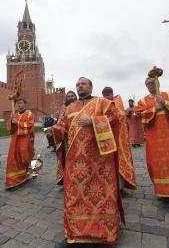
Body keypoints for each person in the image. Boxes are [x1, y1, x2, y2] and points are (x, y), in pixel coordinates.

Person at [50, 77, 123, 245]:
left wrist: (93, 121)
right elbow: (63, 127)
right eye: (77, 84)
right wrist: (53, 131)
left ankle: (105, 231)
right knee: (76, 194)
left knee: (102, 194)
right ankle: (77, 231)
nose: (79, 86)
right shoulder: (69, 108)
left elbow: (117, 117)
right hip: (76, 160)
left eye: (83, 84)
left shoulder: (102, 103)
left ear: (90, 87)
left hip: (101, 160)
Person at [102, 86, 137, 191]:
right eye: (105, 96)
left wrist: (103, 120)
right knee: (109, 161)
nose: (107, 97)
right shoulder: (104, 104)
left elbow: (118, 116)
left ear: (112, 94)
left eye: (109, 95)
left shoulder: (117, 103)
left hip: (119, 137)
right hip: (108, 136)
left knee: (119, 159)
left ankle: (119, 185)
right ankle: (110, 183)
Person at [5, 98, 35, 190]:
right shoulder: (14, 115)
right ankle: (13, 180)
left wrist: (17, 123)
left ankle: (24, 175)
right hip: (14, 140)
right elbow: (10, 128)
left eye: (21, 103)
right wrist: (11, 122)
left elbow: (29, 126)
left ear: (25, 104)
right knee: (12, 159)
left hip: (25, 140)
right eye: (17, 103)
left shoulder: (29, 114)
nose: (19, 105)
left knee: (23, 158)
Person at [53, 90, 77, 185]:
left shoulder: (80, 106)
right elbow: (60, 121)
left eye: (72, 96)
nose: (70, 97)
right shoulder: (64, 108)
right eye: (68, 96)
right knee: (68, 158)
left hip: (79, 136)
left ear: (75, 97)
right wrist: (55, 129)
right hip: (67, 138)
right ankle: (68, 178)